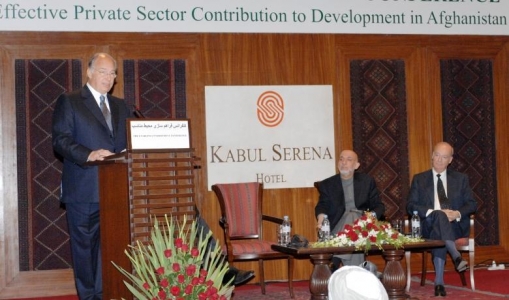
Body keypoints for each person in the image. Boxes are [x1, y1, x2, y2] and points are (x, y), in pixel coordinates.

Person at [52, 53, 133, 300]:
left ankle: (105, 294)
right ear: (89, 72)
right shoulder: (71, 101)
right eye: (102, 71)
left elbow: (127, 142)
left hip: (116, 190)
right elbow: (61, 140)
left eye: (112, 73)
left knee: (109, 250)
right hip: (84, 189)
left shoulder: (122, 106)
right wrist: (90, 154)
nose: (108, 78)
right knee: (85, 252)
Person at [406, 141, 477, 297]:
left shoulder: (461, 179)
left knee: (441, 228)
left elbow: (472, 204)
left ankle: (439, 282)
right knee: (439, 216)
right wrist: (435, 212)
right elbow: (410, 206)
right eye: (437, 155)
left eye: (444, 157)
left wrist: (457, 213)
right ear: (432, 155)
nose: (439, 159)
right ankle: (455, 257)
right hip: (427, 227)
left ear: (450, 160)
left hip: (454, 226)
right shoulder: (420, 179)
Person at [315, 150, 385, 268]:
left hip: (362, 223)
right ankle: (356, 273)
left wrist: (370, 217)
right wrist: (320, 218)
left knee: (352, 216)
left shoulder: (366, 181)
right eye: (341, 159)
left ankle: (335, 260)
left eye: (349, 159)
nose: (344, 162)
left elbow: (379, 206)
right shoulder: (328, 184)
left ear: (356, 165)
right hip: (337, 225)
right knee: (352, 222)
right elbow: (322, 205)